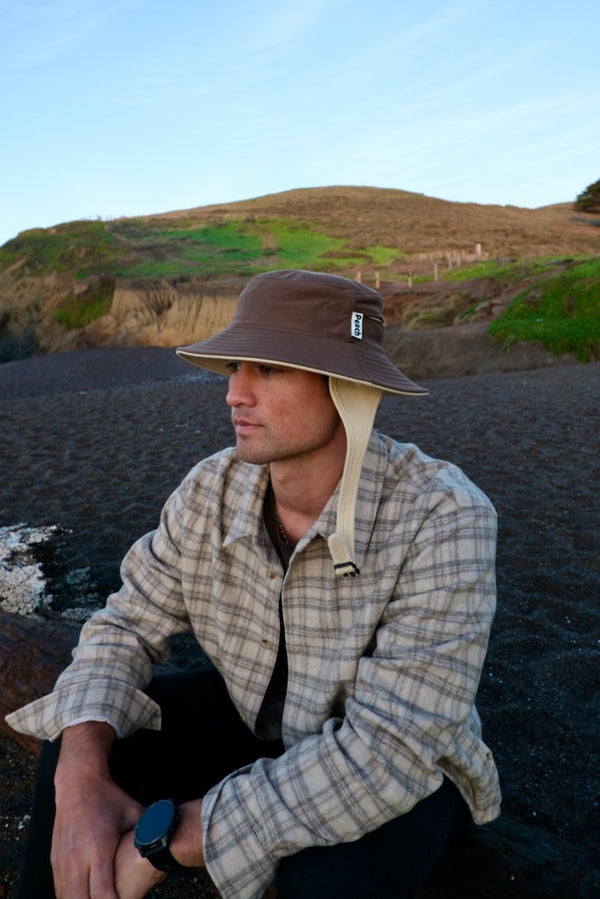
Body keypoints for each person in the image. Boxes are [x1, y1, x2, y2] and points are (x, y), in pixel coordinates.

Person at [7, 269, 501, 899]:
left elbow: (392, 749)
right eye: (236, 366)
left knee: (323, 878)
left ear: (347, 387)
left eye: (268, 368)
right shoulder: (212, 489)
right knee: (83, 743)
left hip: (412, 768)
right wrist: (78, 782)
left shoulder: (444, 514)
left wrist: (166, 842)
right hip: (257, 718)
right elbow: (126, 625)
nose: (233, 394)